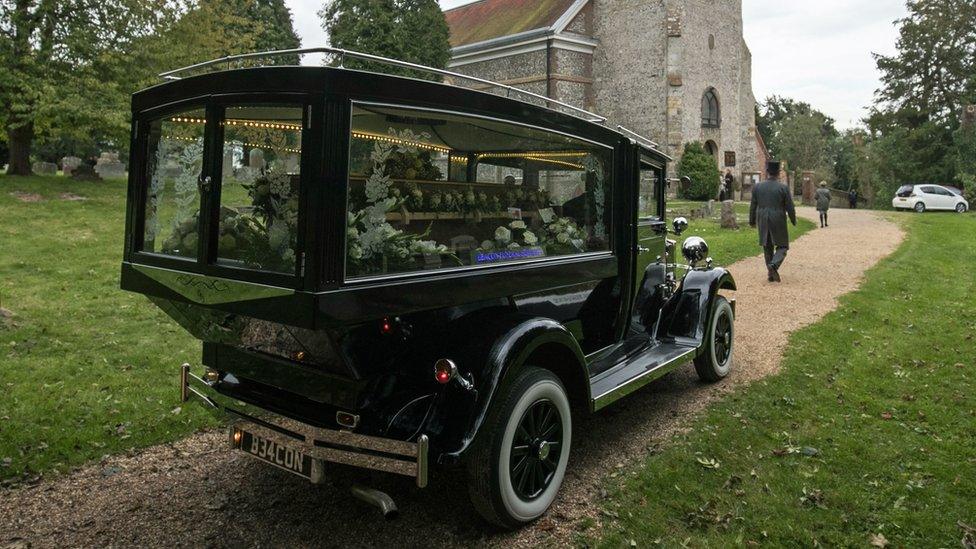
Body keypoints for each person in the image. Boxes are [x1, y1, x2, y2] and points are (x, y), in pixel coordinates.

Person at [749, 160, 796, 282]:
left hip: (762, 218)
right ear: (778, 173)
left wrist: (752, 221)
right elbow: (789, 206)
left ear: (767, 172)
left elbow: (753, 205)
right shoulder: (783, 188)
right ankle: (773, 265)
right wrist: (793, 219)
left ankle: (770, 273)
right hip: (778, 218)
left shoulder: (757, 187)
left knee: (767, 246)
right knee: (783, 246)